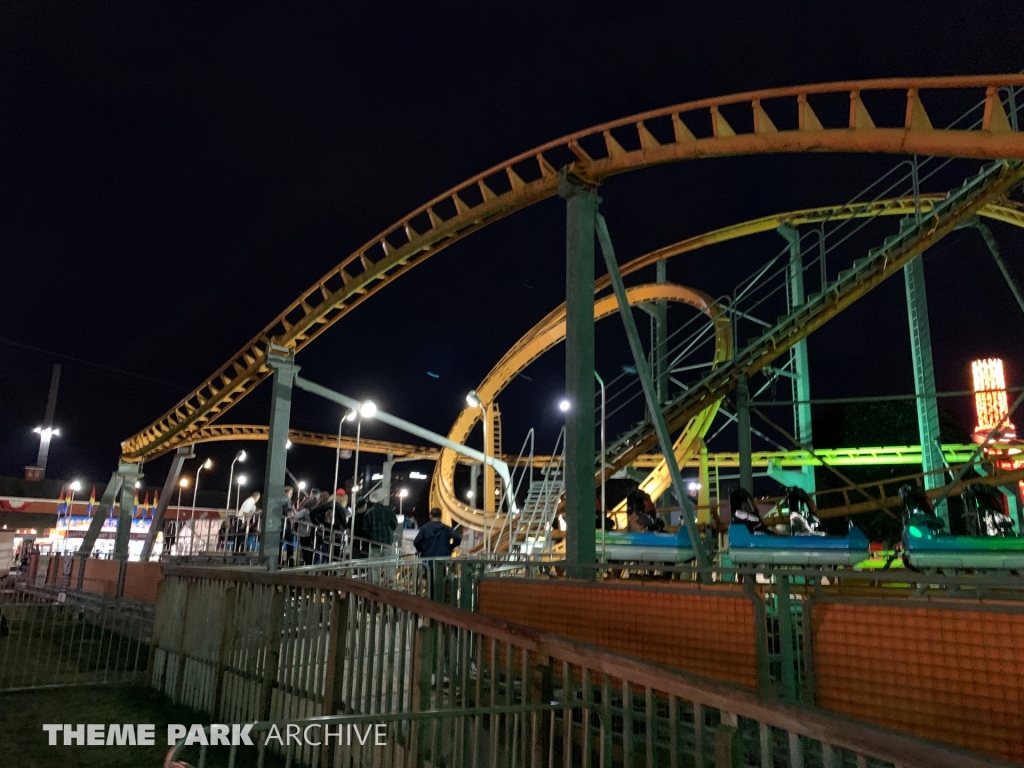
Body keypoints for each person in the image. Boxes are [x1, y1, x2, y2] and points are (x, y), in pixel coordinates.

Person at [363, 489, 399, 555]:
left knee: (375, 564)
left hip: (374, 543)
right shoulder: (389, 511)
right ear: (383, 500)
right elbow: (394, 524)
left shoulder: (369, 512)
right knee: (386, 563)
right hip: (387, 542)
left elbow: (366, 529)